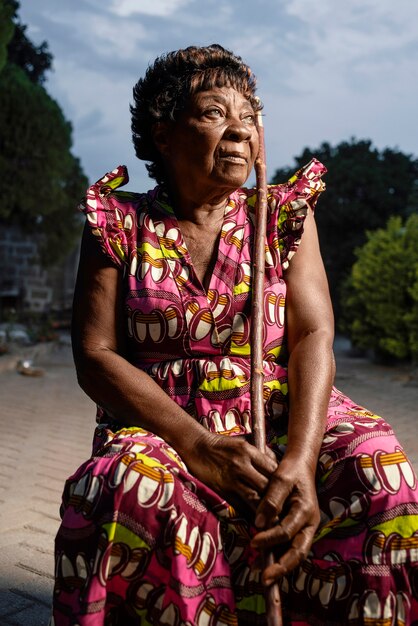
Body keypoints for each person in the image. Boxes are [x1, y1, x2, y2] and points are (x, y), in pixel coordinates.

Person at [52, 44, 418, 626]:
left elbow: (313, 333)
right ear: (163, 133)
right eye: (214, 113)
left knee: (378, 464)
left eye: (249, 116)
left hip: (278, 412)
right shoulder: (117, 222)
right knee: (126, 485)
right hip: (164, 423)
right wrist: (198, 447)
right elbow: (95, 356)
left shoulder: (281, 217)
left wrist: (298, 459)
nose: (240, 131)